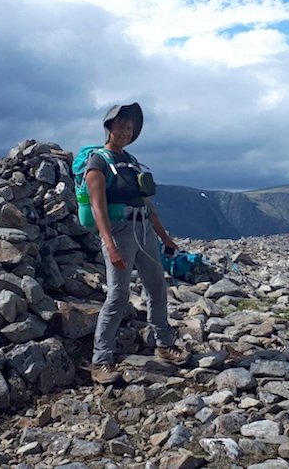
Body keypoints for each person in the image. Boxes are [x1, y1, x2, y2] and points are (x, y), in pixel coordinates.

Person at [86, 103, 191, 385]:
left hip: (143, 228)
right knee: (118, 296)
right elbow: (98, 208)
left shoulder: (131, 161)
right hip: (119, 232)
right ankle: (101, 360)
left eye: (129, 128)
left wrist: (164, 237)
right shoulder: (98, 162)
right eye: (120, 126)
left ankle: (164, 344)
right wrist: (109, 245)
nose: (125, 132)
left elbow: (147, 203)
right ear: (109, 127)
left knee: (157, 287)